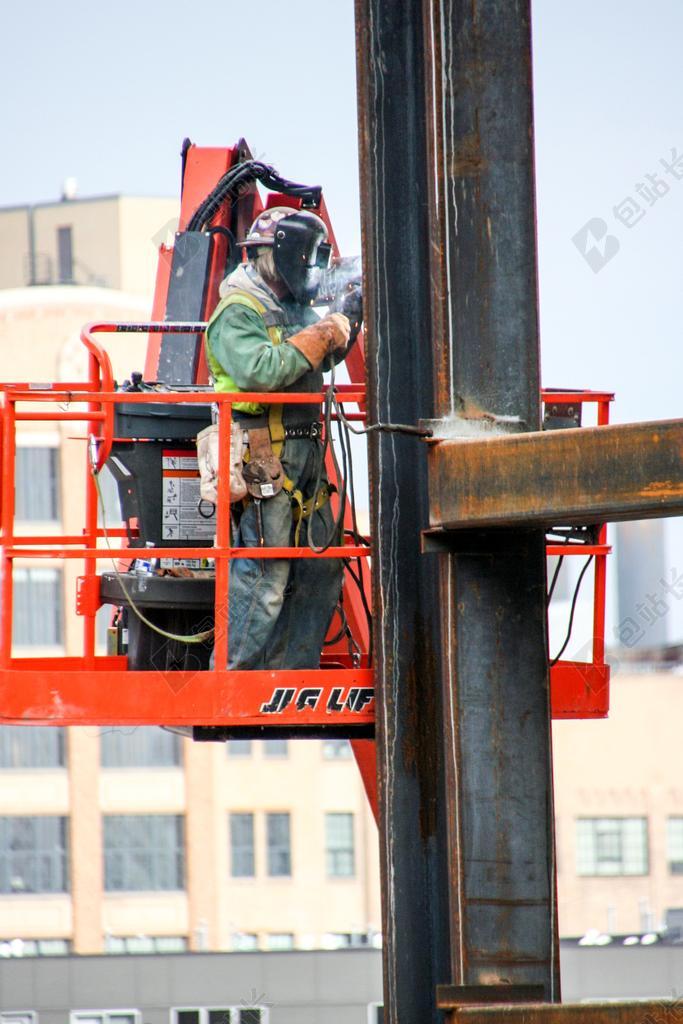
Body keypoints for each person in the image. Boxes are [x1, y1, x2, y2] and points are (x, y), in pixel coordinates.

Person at [205, 207, 354, 670]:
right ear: (284, 256)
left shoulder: (290, 306)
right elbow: (263, 371)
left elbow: (313, 358)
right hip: (264, 456)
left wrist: (348, 321)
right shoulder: (237, 311)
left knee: (322, 565)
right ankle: (229, 680)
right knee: (266, 576)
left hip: (306, 452)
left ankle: (286, 676)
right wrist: (326, 331)